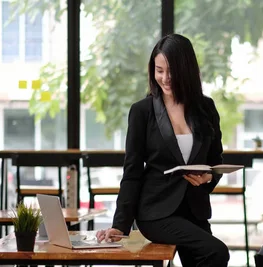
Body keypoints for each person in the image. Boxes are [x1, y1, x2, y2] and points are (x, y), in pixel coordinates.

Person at [96, 33, 230, 267]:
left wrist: (209, 177)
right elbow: (132, 171)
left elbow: (214, 159)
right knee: (217, 252)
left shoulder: (206, 107)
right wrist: (120, 224)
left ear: (186, 70)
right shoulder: (142, 111)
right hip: (156, 212)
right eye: (159, 71)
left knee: (207, 258)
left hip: (194, 210)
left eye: (171, 71)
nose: (165, 78)